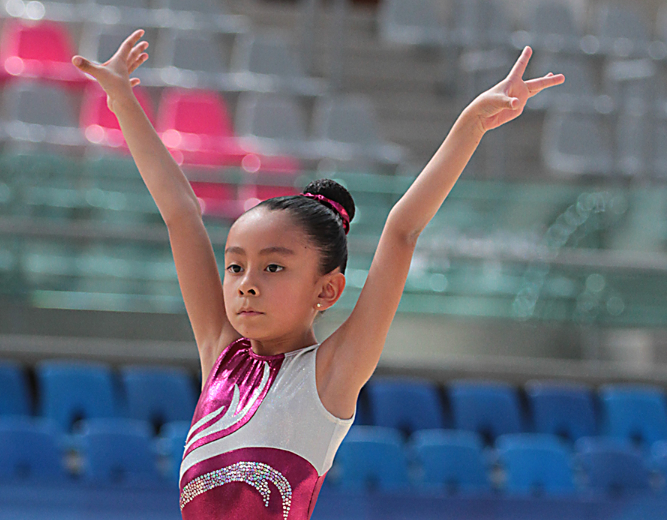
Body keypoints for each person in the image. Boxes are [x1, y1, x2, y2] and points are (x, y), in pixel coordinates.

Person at [72, 30, 563, 520]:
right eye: (236, 266)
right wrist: (122, 99)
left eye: (274, 267)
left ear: (326, 290)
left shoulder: (330, 374)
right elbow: (181, 212)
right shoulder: (221, 353)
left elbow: (402, 231)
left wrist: (471, 125)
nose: (247, 282)